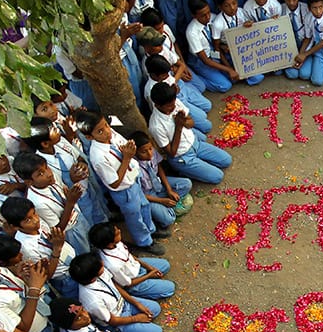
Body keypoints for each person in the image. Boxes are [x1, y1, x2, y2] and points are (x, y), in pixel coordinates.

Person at [77, 111, 163, 255]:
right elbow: (115, 183)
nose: (107, 132)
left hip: (133, 179)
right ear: (89, 137)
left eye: (106, 125)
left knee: (144, 206)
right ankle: (144, 241)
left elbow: (126, 145)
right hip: (123, 191)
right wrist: (127, 158)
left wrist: (131, 150)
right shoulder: (98, 156)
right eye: (100, 131)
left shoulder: (113, 135)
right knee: (134, 216)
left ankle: (151, 230)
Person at [70, 252, 164, 332]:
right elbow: (113, 321)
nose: (103, 263)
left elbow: (115, 287)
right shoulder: (92, 301)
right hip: (117, 322)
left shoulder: (98, 274)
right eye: (100, 266)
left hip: (124, 304)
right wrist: (136, 318)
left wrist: (136, 303)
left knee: (155, 309)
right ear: (93, 278)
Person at [149, 83, 233, 185]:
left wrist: (184, 122)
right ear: (157, 105)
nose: (173, 107)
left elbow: (191, 123)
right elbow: (172, 153)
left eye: (174, 103)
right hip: (182, 157)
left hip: (194, 143)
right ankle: (183, 170)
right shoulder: (156, 126)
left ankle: (197, 165)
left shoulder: (175, 104)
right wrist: (178, 127)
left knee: (226, 160)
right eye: (169, 106)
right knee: (217, 176)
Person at [90, 221, 174, 301]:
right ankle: (138, 292)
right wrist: (149, 274)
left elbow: (129, 256)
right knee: (170, 288)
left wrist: (149, 267)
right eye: (117, 233)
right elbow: (128, 284)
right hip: (133, 281)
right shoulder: (113, 265)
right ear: (110, 243)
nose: (120, 230)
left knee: (165, 265)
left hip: (135, 266)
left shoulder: (115, 243)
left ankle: (148, 282)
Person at [185, 0, 241, 91]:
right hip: (201, 60)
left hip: (216, 55)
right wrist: (229, 69)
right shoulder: (192, 32)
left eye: (208, 12)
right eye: (203, 15)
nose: (207, 17)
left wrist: (223, 47)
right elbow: (205, 60)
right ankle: (198, 79)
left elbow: (217, 44)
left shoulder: (214, 17)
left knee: (234, 79)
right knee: (225, 86)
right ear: (194, 16)